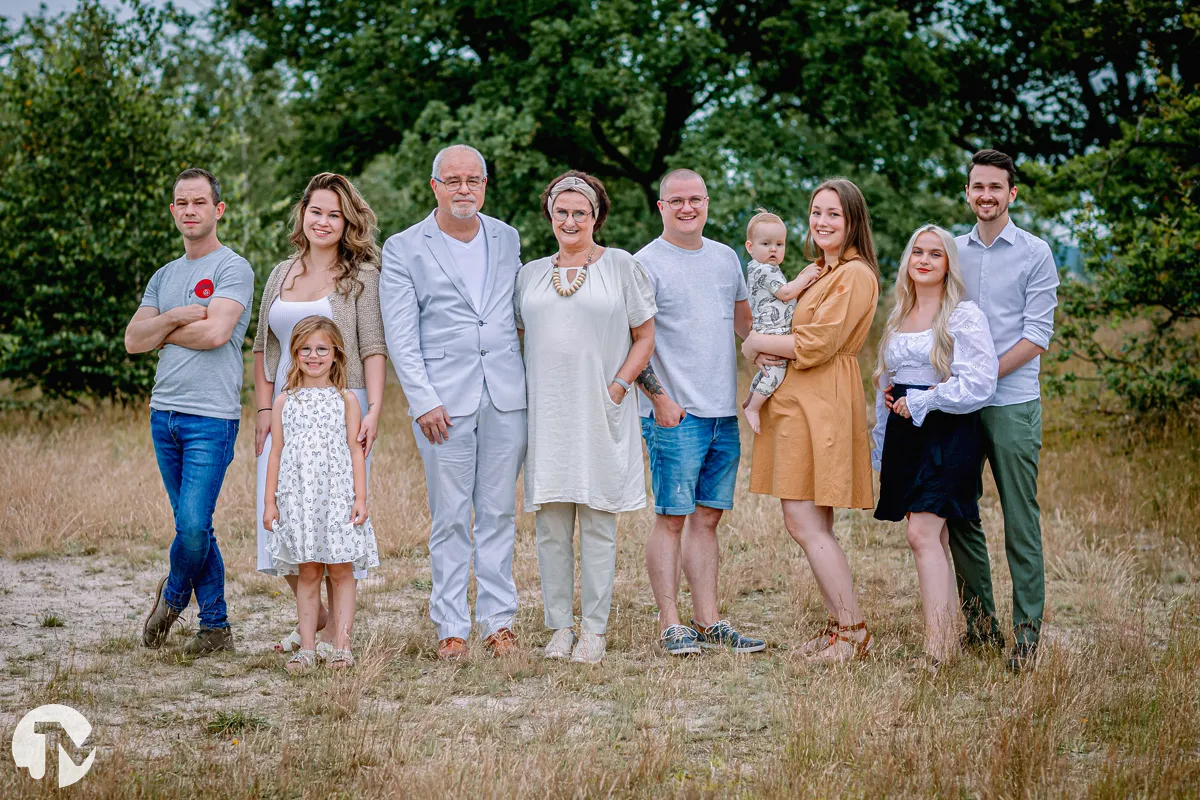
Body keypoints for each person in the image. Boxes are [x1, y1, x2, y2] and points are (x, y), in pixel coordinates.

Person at [379, 144, 527, 661]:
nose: (464, 189)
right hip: (443, 402)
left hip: (508, 394)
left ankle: (498, 621)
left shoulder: (507, 237)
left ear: (485, 185)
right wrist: (423, 400)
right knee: (449, 516)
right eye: (453, 180)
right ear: (434, 185)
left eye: (474, 180)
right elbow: (401, 334)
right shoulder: (403, 248)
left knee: (498, 512)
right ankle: (451, 626)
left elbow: (517, 312)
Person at [515, 171, 656, 664]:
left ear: (596, 216)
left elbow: (645, 337)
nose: (570, 220)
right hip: (546, 415)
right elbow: (519, 339)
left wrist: (619, 385)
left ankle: (594, 630)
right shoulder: (530, 273)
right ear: (549, 216)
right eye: (562, 212)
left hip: (601, 409)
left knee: (598, 520)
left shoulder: (620, 266)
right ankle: (559, 627)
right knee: (551, 525)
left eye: (581, 212)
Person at [741, 177, 880, 663]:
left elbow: (814, 345)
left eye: (833, 215)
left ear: (853, 221)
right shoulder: (815, 269)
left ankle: (854, 632)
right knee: (814, 519)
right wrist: (757, 341)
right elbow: (776, 319)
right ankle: (837, 627)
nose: (821, 221)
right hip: (796, 401)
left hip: (822, 401)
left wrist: (755, 344)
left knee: (803, 521)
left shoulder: (855, 275)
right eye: (816, 212)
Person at [252, 172, 387, 658]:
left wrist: (373, 410)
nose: (324, 221)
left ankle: (333, 637)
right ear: (302, 215)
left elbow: (372, 345)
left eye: (334, 213)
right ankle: (319, 625)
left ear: (346, 220)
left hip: (341, 408)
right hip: (286, 408)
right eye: (316, 211)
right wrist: (265, 409)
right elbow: (263, 347)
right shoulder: (280, 274)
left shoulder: (361, 276)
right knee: (283, 521)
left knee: (333, 522)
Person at [635, 168, 765, 657]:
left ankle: (709, 621)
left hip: (722, 415)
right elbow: (634, 339)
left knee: (707, 519)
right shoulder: (645, 263)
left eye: (696, 199)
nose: (688, 208)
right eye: (677, 200)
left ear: (706, 203)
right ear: (662, 206)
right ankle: (671, 623)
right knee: (672, 517)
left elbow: (744, 326)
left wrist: (776, 368)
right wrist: (660, 400)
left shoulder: (726, 257)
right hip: (675, 414)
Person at [125, 168, 254, 656]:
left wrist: (158, 328)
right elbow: (134, 342)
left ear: (217, 210)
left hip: (211, 417)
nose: (189, 211)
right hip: (165, 414)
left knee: (195, 526)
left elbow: (217, 334)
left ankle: (172, 598)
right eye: (181, 203)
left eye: (199, 202)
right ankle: (216, 629)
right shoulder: (165, 276)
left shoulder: (232, 268)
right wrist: (178, 317)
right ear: (173, 210)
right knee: (193, 526)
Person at [944, 149, 1058, 672]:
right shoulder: (950, 250)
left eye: (995, 187)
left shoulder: (1036, 253)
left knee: (1019, 518)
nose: (985, 195)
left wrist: (982, 376)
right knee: (961, 513)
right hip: (958, 409)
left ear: (1012, 193)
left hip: (1012, 404)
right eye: (977, 187)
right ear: (967, 193)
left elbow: (1036, 335)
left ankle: (1027, 635)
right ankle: (981, 626)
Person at [871, 225, 998, 670]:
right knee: (935, 538)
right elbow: (887, 381)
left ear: (948, 265)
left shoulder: (963, 315)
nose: (924, 260)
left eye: (935, 254)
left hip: (946, 433)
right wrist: (888, 399)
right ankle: (947, 641)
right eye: (917, 252)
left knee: (921, 534)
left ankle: (937, 650)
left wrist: (921, 399)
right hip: (906, 435)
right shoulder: (899, 314)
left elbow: (980, 383)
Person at [263, 317, 380, 673]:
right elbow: (277, 453)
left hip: (338, 498)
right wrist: (270, 502)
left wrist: (360, 498)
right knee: (309, 571)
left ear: (335, 355)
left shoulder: (346, 400)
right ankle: (308, 649)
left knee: (341, 570)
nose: (313, 356)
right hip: (300, 500)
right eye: (305, 350)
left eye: (322, 349)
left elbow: (356, 451)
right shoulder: (284, 402)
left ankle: (342, 646)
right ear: (295, 354)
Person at [742, 210, 822, 435]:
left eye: (779, 244)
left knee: (766, 371)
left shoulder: (763, 269)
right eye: (766, 243)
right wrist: (804, 278)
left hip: (769, 329)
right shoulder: (765, 270)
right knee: (775, 373)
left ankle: (750, 399)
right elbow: (786, 293)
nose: (774, 249)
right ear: (750, 247)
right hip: (772, 331)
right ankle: (754, 407)